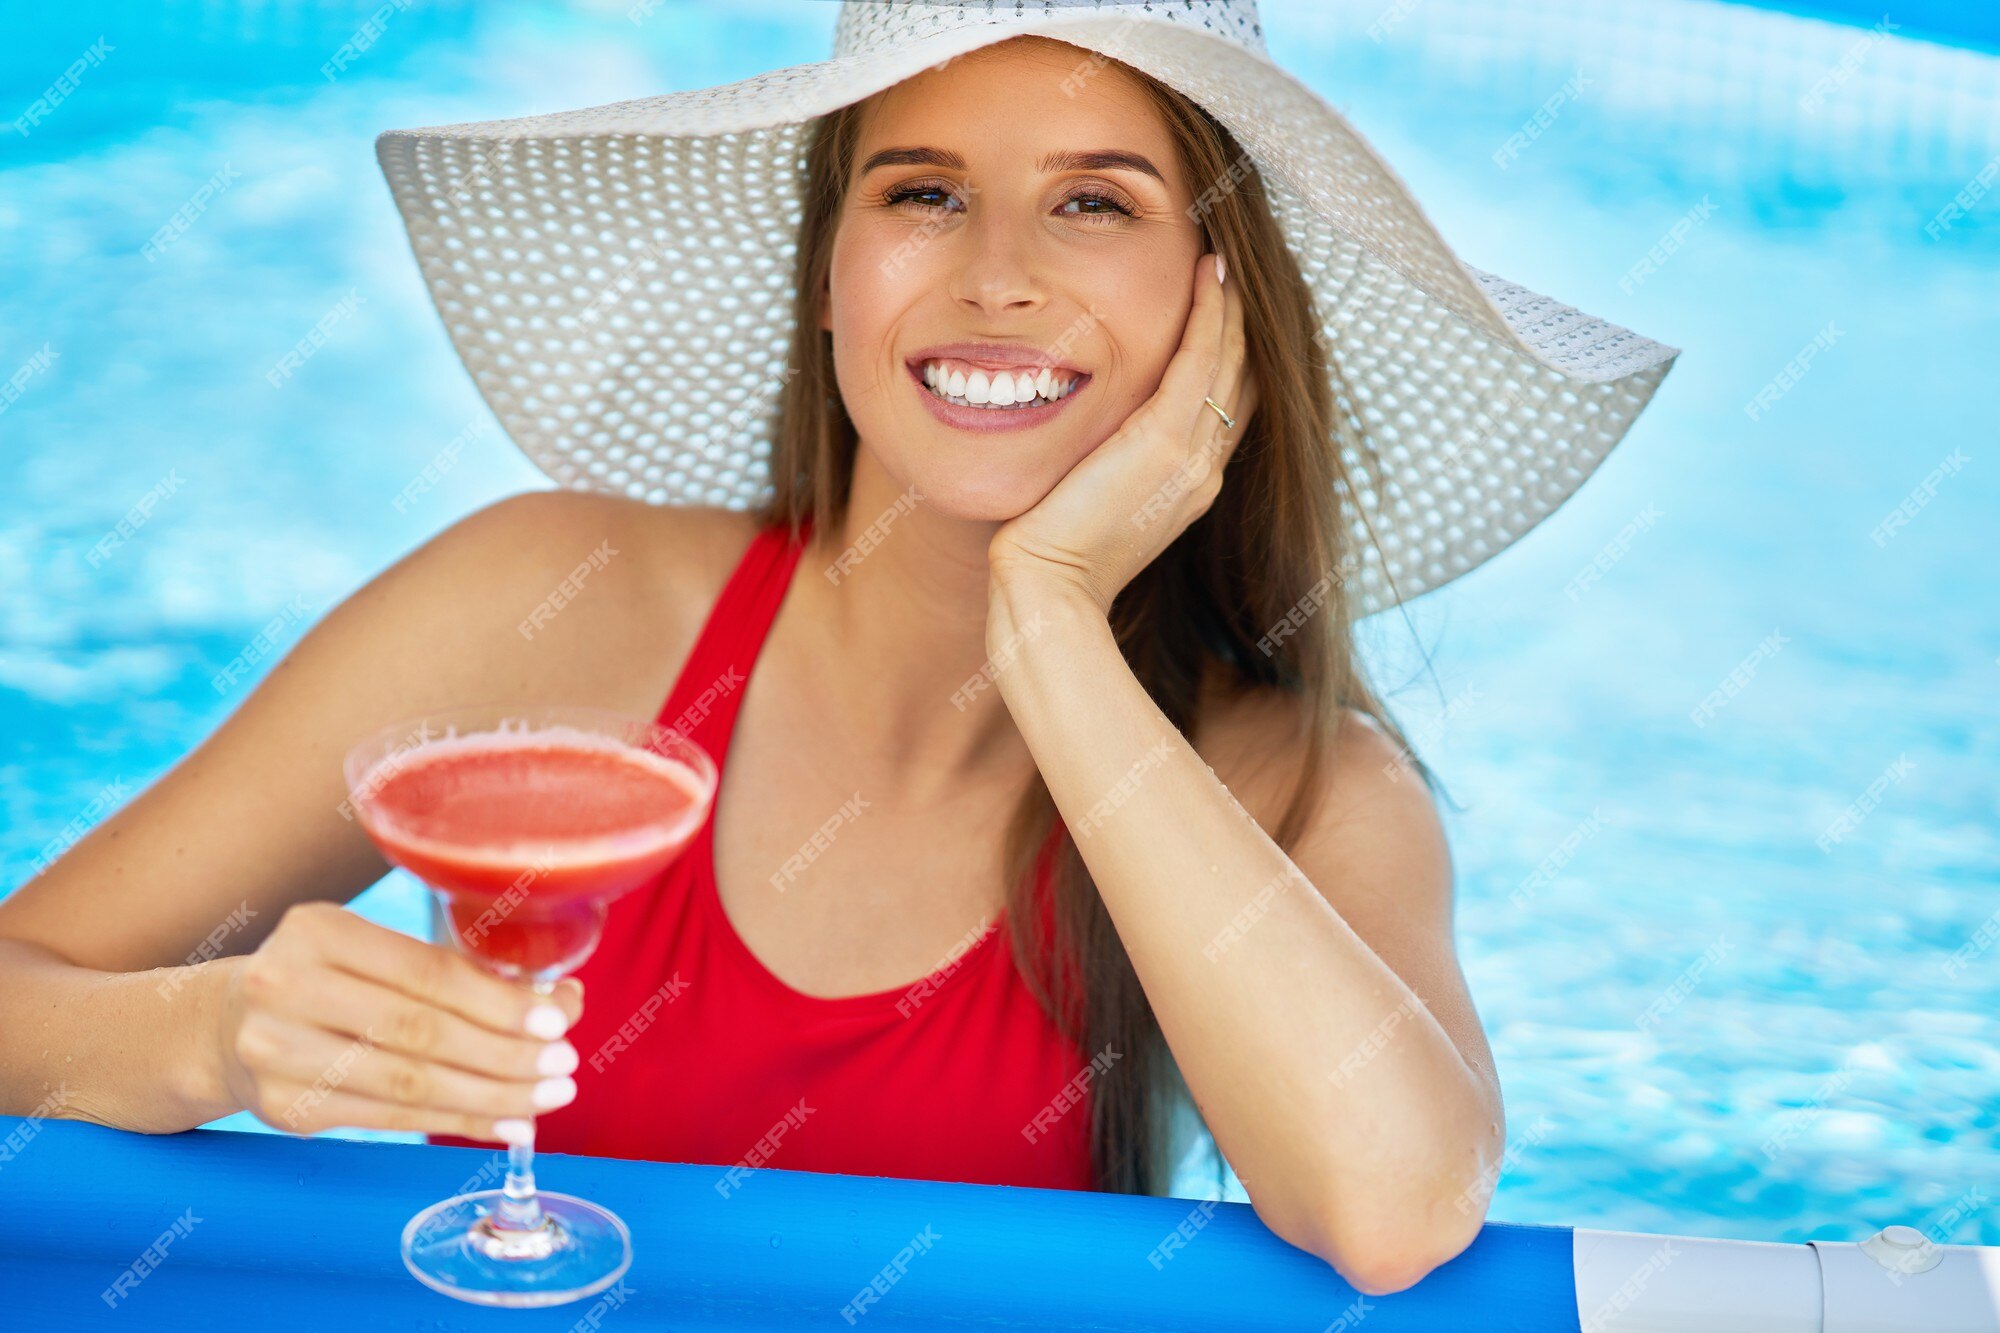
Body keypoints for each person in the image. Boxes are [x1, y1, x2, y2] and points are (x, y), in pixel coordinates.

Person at [0, 0, 1677, 1297]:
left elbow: (1394, 1212)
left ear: (1210, 301)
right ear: (827, 267)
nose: (998, 276)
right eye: (924, 192)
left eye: (1096, 204)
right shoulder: (553, 595)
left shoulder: (1295, 780)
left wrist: (1054, 621)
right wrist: (216, 1035)